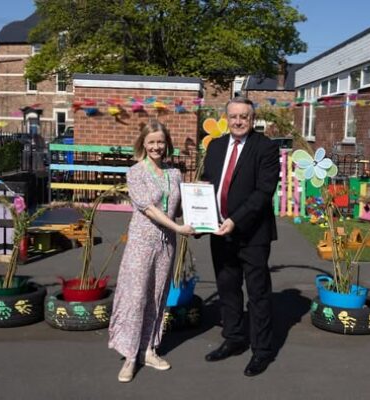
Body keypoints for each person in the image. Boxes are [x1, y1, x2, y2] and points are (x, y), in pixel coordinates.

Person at [108, 120, 195, 383]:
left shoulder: (174, 173)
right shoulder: (135, 172)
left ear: (167, 144)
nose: (156, 146)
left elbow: (178, 208)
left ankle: (148, 349)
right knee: (136, 296)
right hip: (142, 242)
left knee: (158, 295)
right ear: (143, 144)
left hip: (166, 243)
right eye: (152, 142)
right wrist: (178, 228)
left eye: (160, 142)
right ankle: (130, 356)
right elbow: (148, 208)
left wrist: (199, 204)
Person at [201, 96, 280, 377]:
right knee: (228, 288)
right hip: (219, 231)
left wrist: (235, 220)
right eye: (233, 116)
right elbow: (208, 183)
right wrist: (199, 214)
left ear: (252, 119)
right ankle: (233, 338)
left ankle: (262, 351)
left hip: (252, 233)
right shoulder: (216, 146)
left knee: (257, 293)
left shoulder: (266, 147)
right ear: (227, 118)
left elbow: (263, 192)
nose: (238, 121)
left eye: (243, 117)